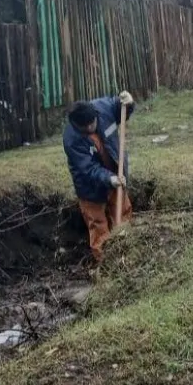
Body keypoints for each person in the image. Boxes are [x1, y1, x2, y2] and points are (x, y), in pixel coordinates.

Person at [63, 90, 136, 264]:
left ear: (95, 114)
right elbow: (88, 170)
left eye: (92, 124)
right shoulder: (71, 140)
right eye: (85, 128)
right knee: (98, 226)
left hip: (115, 174)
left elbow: (120, 108)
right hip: (90, 188)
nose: (90, 128)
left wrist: (129, 103)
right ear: (76, 125)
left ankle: (128, 253)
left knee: (123, 214)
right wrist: (109, 179)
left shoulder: (103, 107)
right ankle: (107, 264)